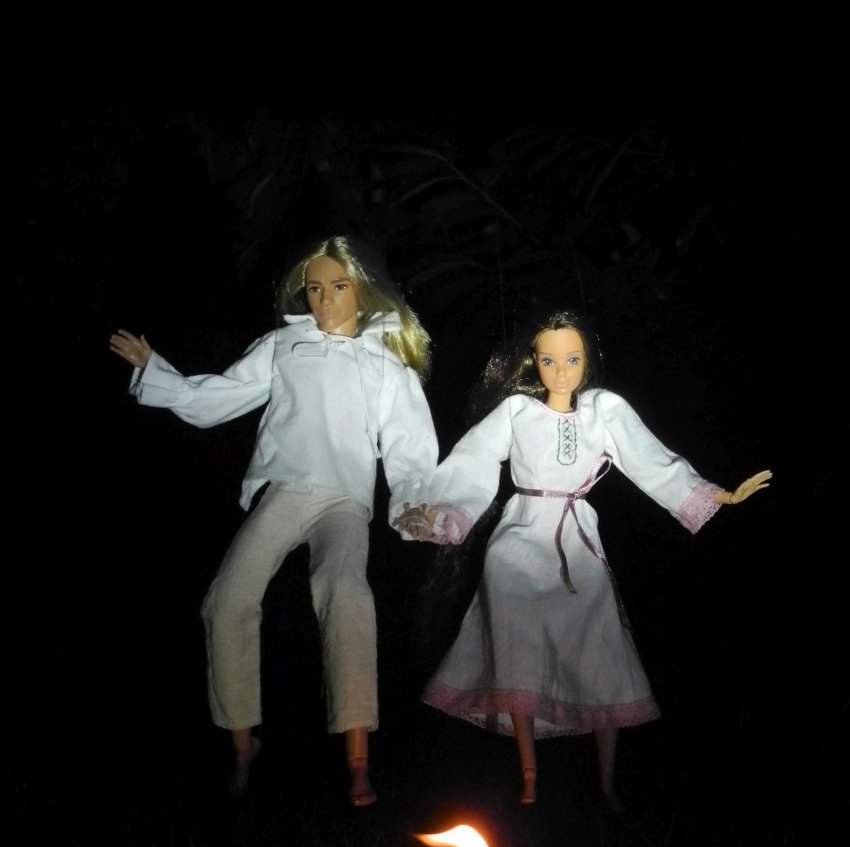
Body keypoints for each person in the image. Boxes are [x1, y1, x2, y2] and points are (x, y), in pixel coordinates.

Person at [392, 309, 771, 812]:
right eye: (549, 360)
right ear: (534, 361)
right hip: (520, 534)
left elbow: (648, 458)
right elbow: (473, 459)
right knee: (516, 635)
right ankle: (529, 774)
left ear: (587, 359)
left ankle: (607, 782)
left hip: (577, 537)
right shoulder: (516, 412)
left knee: (600, 643)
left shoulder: (602, 410)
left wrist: (714, 494)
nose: (561, 371)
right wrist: (439, 512)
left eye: (572, 359)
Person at [110, 234, 439, 806]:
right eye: (315, 289)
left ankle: (358, 757)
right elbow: (223, 394)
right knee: (227, 599)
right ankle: (243, 745)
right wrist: (156, 372)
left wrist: (413, 502)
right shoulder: (284, 345)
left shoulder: (385, 363)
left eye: (338, 287)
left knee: (345, 593)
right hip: (284, 491)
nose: (325, 300)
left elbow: (409, 444)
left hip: (344, 500)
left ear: (361, 290)